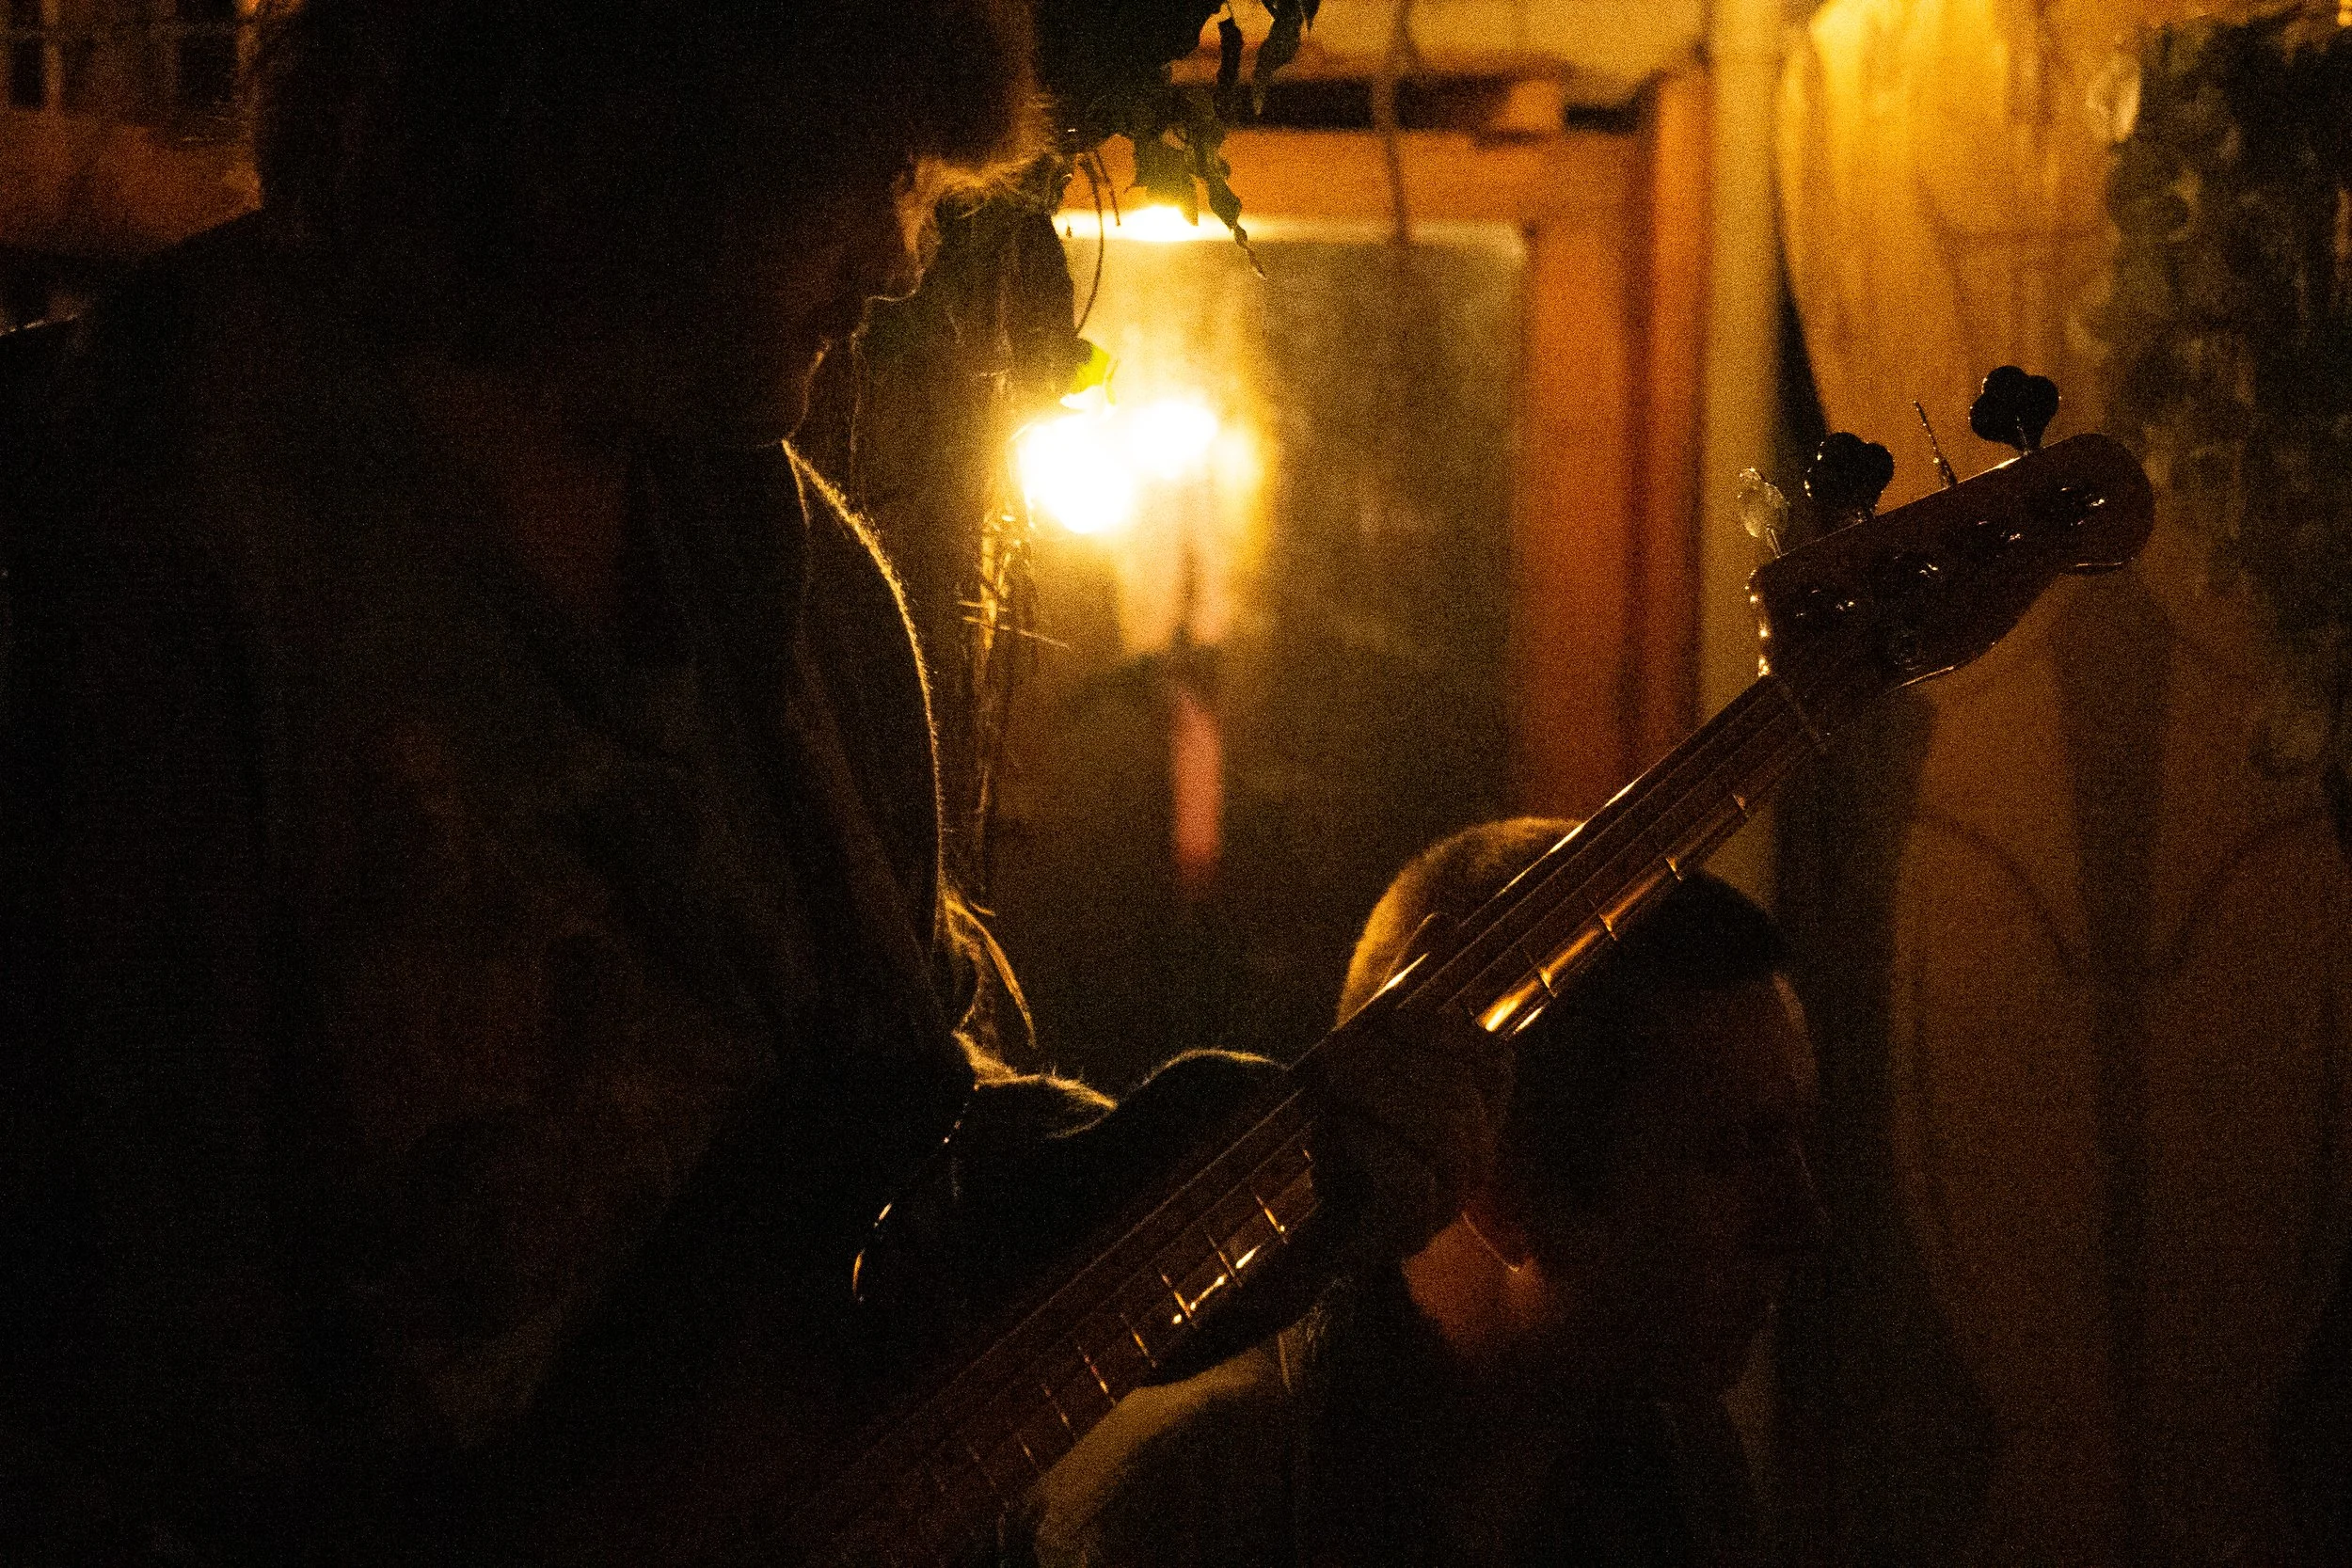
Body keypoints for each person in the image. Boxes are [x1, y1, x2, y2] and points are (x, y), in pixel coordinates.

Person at [0, 4, 1505, 1562]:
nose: (904, 255)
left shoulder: (797, 589)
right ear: (645, 119)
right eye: (855, 170)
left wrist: (1209, 1168)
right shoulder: (115, 527)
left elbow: (888, 1202)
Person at [1027, 818, 1826, 1568]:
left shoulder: (1677, 1466)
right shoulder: (1193, 1498)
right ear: (1500, 1189)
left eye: (1797, 1137)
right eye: (1727, 1152)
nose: (1804, 1220)